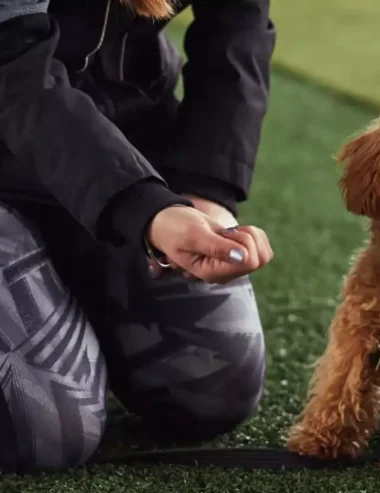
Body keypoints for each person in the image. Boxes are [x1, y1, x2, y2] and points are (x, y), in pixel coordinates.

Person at [0, 0, 277, 474]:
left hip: (122, 140)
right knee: (40, 429)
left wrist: (205, 191)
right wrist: (145, 209)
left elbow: (238, 27)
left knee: (211, 385)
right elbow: (14, 72)